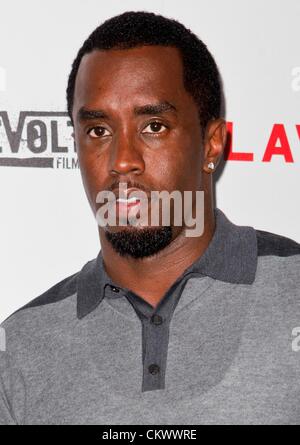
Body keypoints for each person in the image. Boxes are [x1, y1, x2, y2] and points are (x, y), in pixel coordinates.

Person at [1, 10, 300, 425]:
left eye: (154, 126)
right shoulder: (19, 347)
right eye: (98, 131)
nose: (122, 160)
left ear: (212, 145)